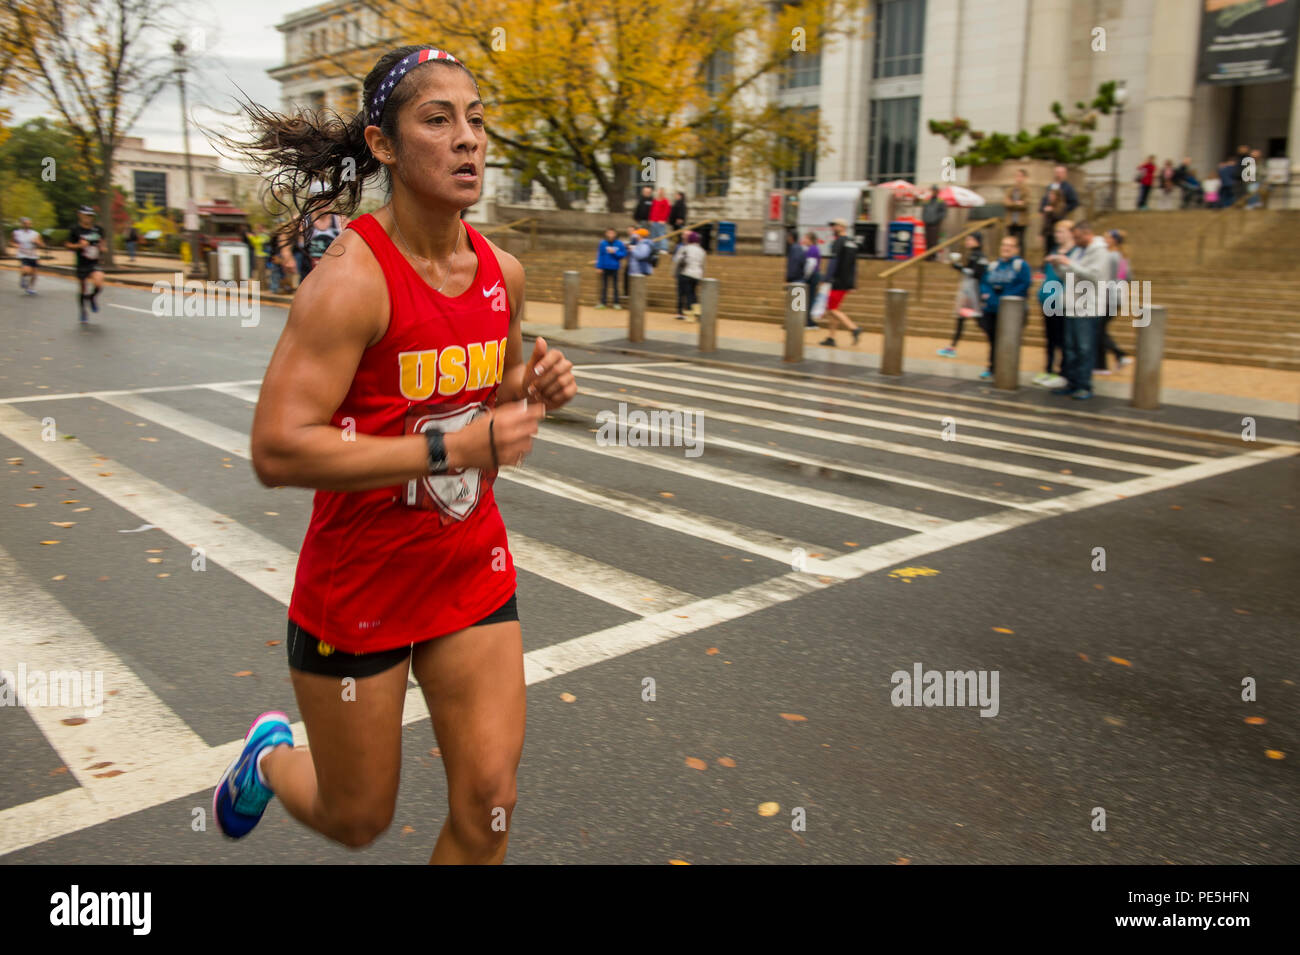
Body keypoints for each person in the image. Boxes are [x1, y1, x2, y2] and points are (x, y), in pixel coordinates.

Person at [214, 44, 576, 864]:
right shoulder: (350, 280)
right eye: (438, 120)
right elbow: (277, 448)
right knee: (358, 818)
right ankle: (268, 759)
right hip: (361, 582)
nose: (468, 140)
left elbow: (498, 396)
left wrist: (534, 387)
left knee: (490, 801)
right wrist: (452, 444)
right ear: (382, 145)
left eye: (477, 121)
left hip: (465, 566)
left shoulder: (502, 273)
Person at [1047, 219, 1108, 399]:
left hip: (1088, 308)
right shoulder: (1079, 252)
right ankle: (1071, 382)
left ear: (1086, 233)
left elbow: (1093, 276)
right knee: (1070, 348)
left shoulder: (1100, 251)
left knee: (1083, 348)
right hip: (1072, 306)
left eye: (1077, 237)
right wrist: (1057, 265)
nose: (1075, 240)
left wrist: (1069, 262)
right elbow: (1068, 275)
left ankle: (1084, 385)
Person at [976, 235, 1031, 380]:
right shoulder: (994, 266)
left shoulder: (1021, 266)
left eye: (1010, 245)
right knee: (993, 338)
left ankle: (1006, 370)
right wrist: (988, 295)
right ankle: (992, 367)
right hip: (991, 309)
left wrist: (1004, 297)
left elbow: (1024, 284)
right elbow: (984, 283)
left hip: (1010, 310)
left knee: (1008, 340)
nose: (1006, 248)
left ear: (1016, 249)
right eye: (1003, 245)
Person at [1033, 220, 1073, 387]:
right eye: (1057, 232)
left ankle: (1063, 371)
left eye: (1062, 232)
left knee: (1061, 338)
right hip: (1047, 298)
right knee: (1049, 338)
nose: (1058, 235)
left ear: (1071, 233)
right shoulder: (1054, 251)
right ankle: (1048, 369)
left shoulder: (1074, 254)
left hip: (1062, 301)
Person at [938, 231, 987, 358]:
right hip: (968, 292)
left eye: (970, 239)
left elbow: (977, 273)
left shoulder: (979, 256)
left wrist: (958, 268)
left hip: (972, 293)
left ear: (977, 241)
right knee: (962, 319)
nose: (967, 242)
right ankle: (952, 347)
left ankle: (996, 341)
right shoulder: (974, 255)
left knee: (979, 321)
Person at [819, 218, 862, 347]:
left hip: (837, 281)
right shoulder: (852, 243)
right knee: (833, 308)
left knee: (832, 309)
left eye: (835, 226)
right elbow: (854, 265)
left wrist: (826, 279)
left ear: (842, 227)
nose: (833, 228)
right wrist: (852, 283)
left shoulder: (839, 242)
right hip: (846, 281)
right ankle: (831, 337)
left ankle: (853, 328)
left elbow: (834, 262)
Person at [1095, 228, 1132, 374]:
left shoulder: (1111, 256)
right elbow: (1128, 277)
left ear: (1114, 240)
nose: (1104, 241)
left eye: (1107, 238)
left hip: (1108, 296)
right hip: (1116, 296)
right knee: (1100, 329)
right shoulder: (1123, 256)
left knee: (1098, 329)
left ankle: (1118, 355)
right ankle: (1102, 364)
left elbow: (1104, 277)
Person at [66, 205, 105, 324]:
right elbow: (68, 245)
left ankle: (92, 297)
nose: (88, 218)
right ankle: (83, 311)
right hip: (81, 263)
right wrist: (79, 246)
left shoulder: (98, 229)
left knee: (99, 281)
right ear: (80, 215)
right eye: (86, 215)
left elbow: (103, 244)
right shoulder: (75, 230)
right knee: (83, 288)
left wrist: (102, 248)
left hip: (94, 262)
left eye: (91, 216)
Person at [1039, 165, 1078, 257]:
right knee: (1050, 251)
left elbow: (1074, 202)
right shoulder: (1050, 186)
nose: (1058, 175)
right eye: (1057, 172)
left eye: (1060, 173)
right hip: (1049, 228)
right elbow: (1044, 200)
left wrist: (1062, 210)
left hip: (1060, 222)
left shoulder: (1068, 188)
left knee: (1062, 250)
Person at [673, 231, 706, 320]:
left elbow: (677, 260)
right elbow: (703, 264)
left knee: (683, 293)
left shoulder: (685, 248)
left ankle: (684, 313)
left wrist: (674, 272)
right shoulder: (701, 250)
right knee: (693, 294)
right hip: (697, 274)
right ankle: (695, 312)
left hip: (686, 273)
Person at [9, 217, 44, 295]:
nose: (27, 225)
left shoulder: (35, 234)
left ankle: (30, 288)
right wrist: (15, 245)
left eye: (29, 223)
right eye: (25, 223)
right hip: (23, 255)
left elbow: (42, 245)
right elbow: (11, 242)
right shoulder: (17, 233)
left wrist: (37, 242)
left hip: (33, 255)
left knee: (34, 274)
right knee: (26, 271)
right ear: (22, 224)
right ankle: (23, 277)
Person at [594, 227, 626, 308]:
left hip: (615, 267)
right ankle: (603, 302)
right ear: (606, 234)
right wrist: (598, 267)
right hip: (605, 267)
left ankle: (616, 303)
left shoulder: (619, 243)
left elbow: (623, 254)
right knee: (604, 286)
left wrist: (614, 252)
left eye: (612, 233)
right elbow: (600, 256)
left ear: (615, 234)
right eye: (609, 233)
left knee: (615, 286)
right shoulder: (603, 243)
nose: (611, 235)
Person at [1003, 168, 1030, 251]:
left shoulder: (1026, 190)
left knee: (1021, 241)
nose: (1018, 178)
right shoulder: (1010, 190)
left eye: (1020, 176)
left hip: (1021, 220)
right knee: (1010, 241)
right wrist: (1017, 203)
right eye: (1017, 176)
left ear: (1024, 177)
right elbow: (1005, 202)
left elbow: (1025, 204)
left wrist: (1012, 203)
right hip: (1011, 220)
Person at [801, 232, 821, 327]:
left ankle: (810, 322)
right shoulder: (812, 249)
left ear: (810, 239)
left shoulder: (812, 249)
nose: (804, 240)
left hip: (812, 276)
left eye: (805, 238)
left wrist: (805, 277)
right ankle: (809, 320)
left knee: (811, 298)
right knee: (810, 298)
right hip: (813, 275)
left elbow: (810, 264)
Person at [921, 186, 947, 258]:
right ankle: (928, 255)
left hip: (935, 224)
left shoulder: (940, 201)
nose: (933, 192)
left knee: (933, 240)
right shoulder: (928, 201)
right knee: (927, 239)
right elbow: (924, 210)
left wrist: (937, 219)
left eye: (934, 191)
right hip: (927, 223)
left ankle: (933, 255)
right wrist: (924, 218)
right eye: (932, 191)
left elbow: (943, 212)